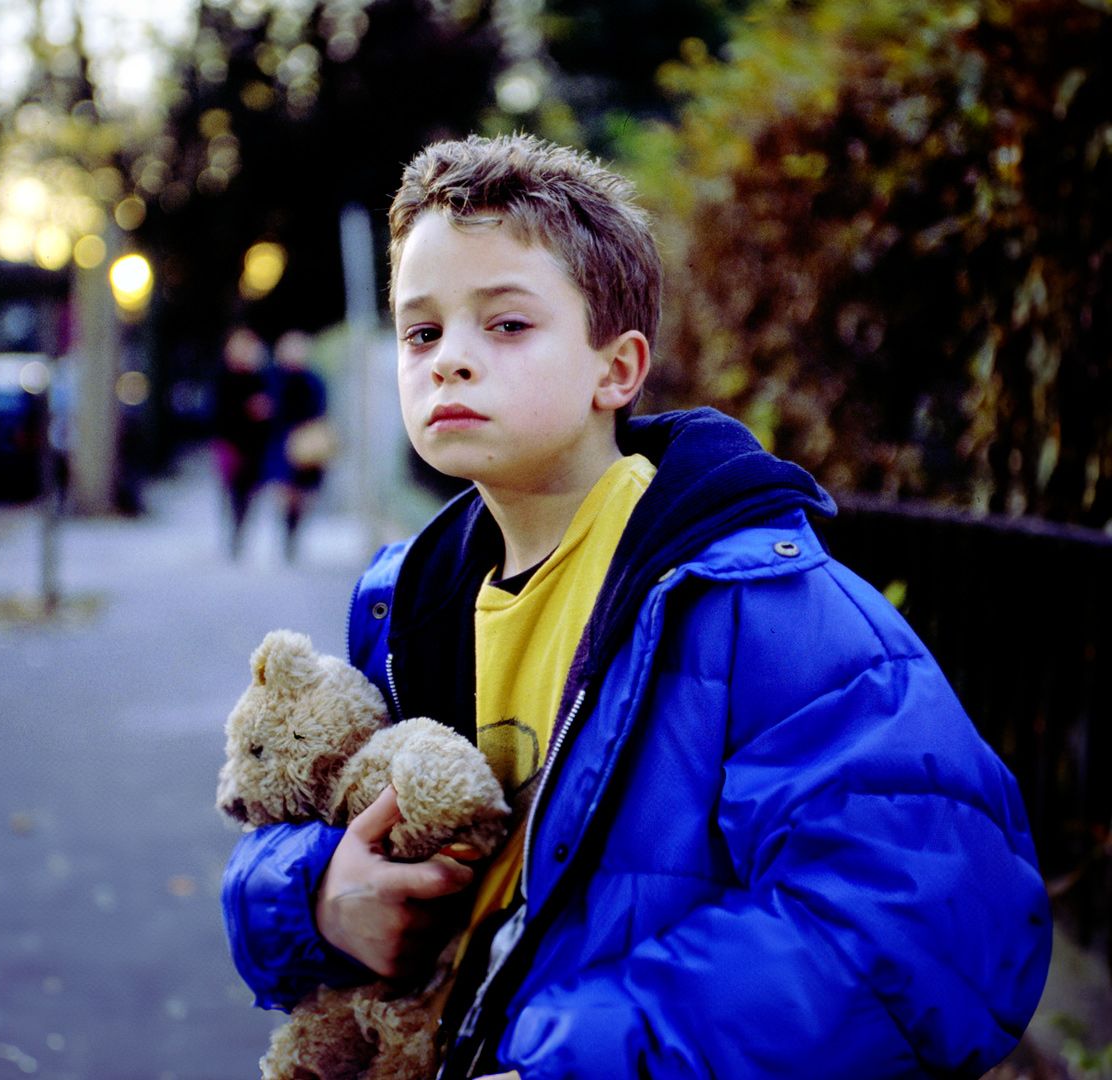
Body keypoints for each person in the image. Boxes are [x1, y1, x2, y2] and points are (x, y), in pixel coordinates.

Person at [219, 132, 1049, 1078]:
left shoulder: (762, 606)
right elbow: (301, 818)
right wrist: (313, 895)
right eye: (422, 331)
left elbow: (933, 924)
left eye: (506, 325)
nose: (448, 359)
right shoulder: (403, 607)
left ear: (616, 369)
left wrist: (576, 1059)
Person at [212, 325, 275, 558]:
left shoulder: (260, 377)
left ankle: (241, 533)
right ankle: (233, 534)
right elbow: (218, 412)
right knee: (232, 491)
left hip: (255, 445)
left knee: (249, 493)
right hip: (230, 443)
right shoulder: (224, 376)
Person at [271, 329, 332, 563]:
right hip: (283, 443)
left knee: (304, 495)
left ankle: (293, 533)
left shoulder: (313, 379)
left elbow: (321, 408)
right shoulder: (277, 377)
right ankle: (287, 534)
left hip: (307, 442)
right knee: (286, 493)